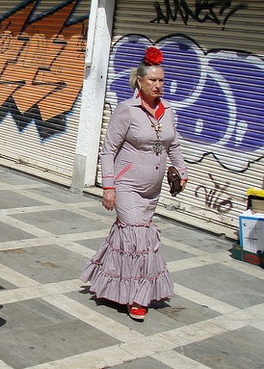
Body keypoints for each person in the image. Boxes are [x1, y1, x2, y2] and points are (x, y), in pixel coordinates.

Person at [79, 47, 188, 321]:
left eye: (161, 80)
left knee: (130, 239)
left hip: (153, 189)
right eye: (152, 80)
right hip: (127, 184)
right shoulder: (126, 110)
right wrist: (108, 186)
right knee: (136, 237)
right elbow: (107, 150)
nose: (158, 85)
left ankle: (110, 284)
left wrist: (182, 171)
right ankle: (136, 297)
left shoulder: (167, 111)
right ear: (139, 81)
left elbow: (173, 145)